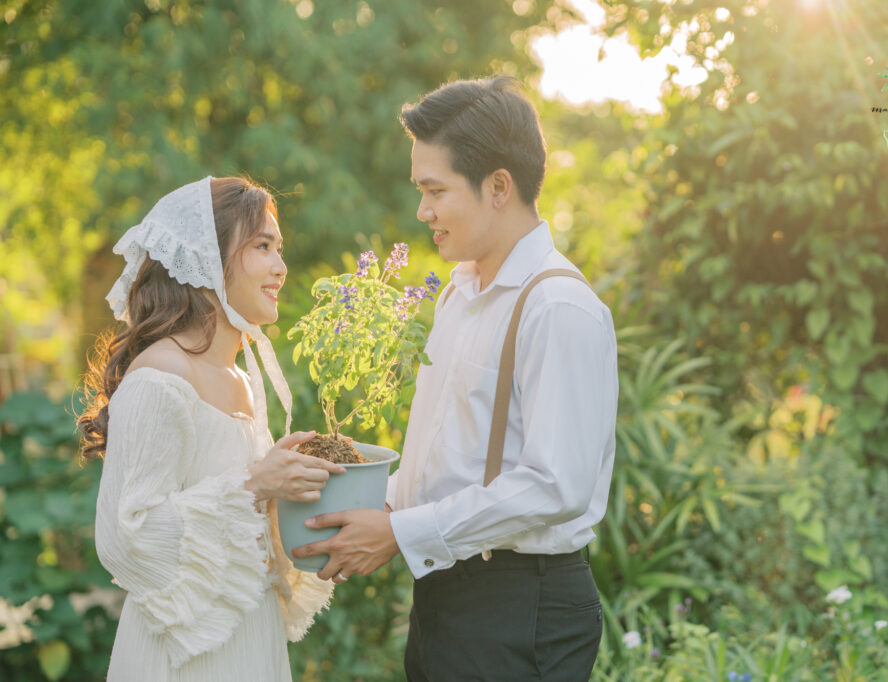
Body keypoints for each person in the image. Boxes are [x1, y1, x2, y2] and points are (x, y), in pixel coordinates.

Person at [294, 76, 619, 680]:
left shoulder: (558, 308)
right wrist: (367, 508)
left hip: (522, 606)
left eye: (435, 190)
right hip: (449, 597)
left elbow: (558, 486)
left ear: (499, 187)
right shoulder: (459, 293)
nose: (423, 211)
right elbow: (447, 452)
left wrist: (401, 531)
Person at [78, 176, 342, 681]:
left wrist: (287, 481)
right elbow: (124, 537)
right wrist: (256, 483)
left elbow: (235, 525)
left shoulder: (241, 380)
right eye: (262, 246)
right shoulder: (160, 376)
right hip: (185, 656)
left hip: (249, 640)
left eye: (279, 249)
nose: (281, 267)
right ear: (207, 258)